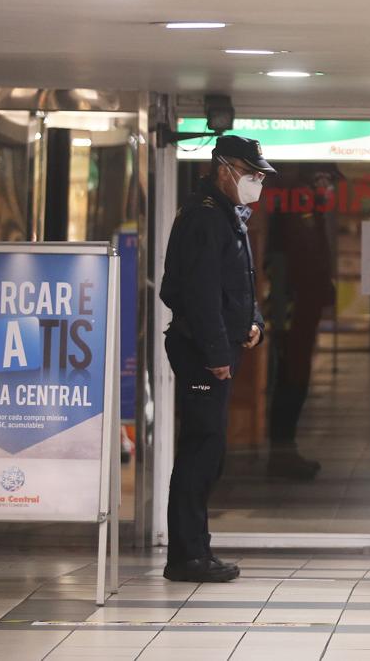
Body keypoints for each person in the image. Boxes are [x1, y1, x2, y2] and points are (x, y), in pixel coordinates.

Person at [159, 135, 272, 583]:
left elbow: (239, 284)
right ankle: (187, 556)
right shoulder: (206, 218)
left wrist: (254, 322)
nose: (257, 182)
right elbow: (200, 293)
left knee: (208, 452)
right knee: (200, 453)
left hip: (216, 347)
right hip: (201, 351)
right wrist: (215, 353)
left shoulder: (228, 216)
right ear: (224, 169)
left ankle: (194, 550)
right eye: (251, 173)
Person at [264, 164, 333, 481]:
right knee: (291, 379)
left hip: (300, 306)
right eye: (328, 181)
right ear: (315, 179)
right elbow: (296, 260)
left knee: (295, 377)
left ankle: (284, 452)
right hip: (294, 308)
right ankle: (281, 453)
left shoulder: (304, 206)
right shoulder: (299, 205)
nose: (330, 189)